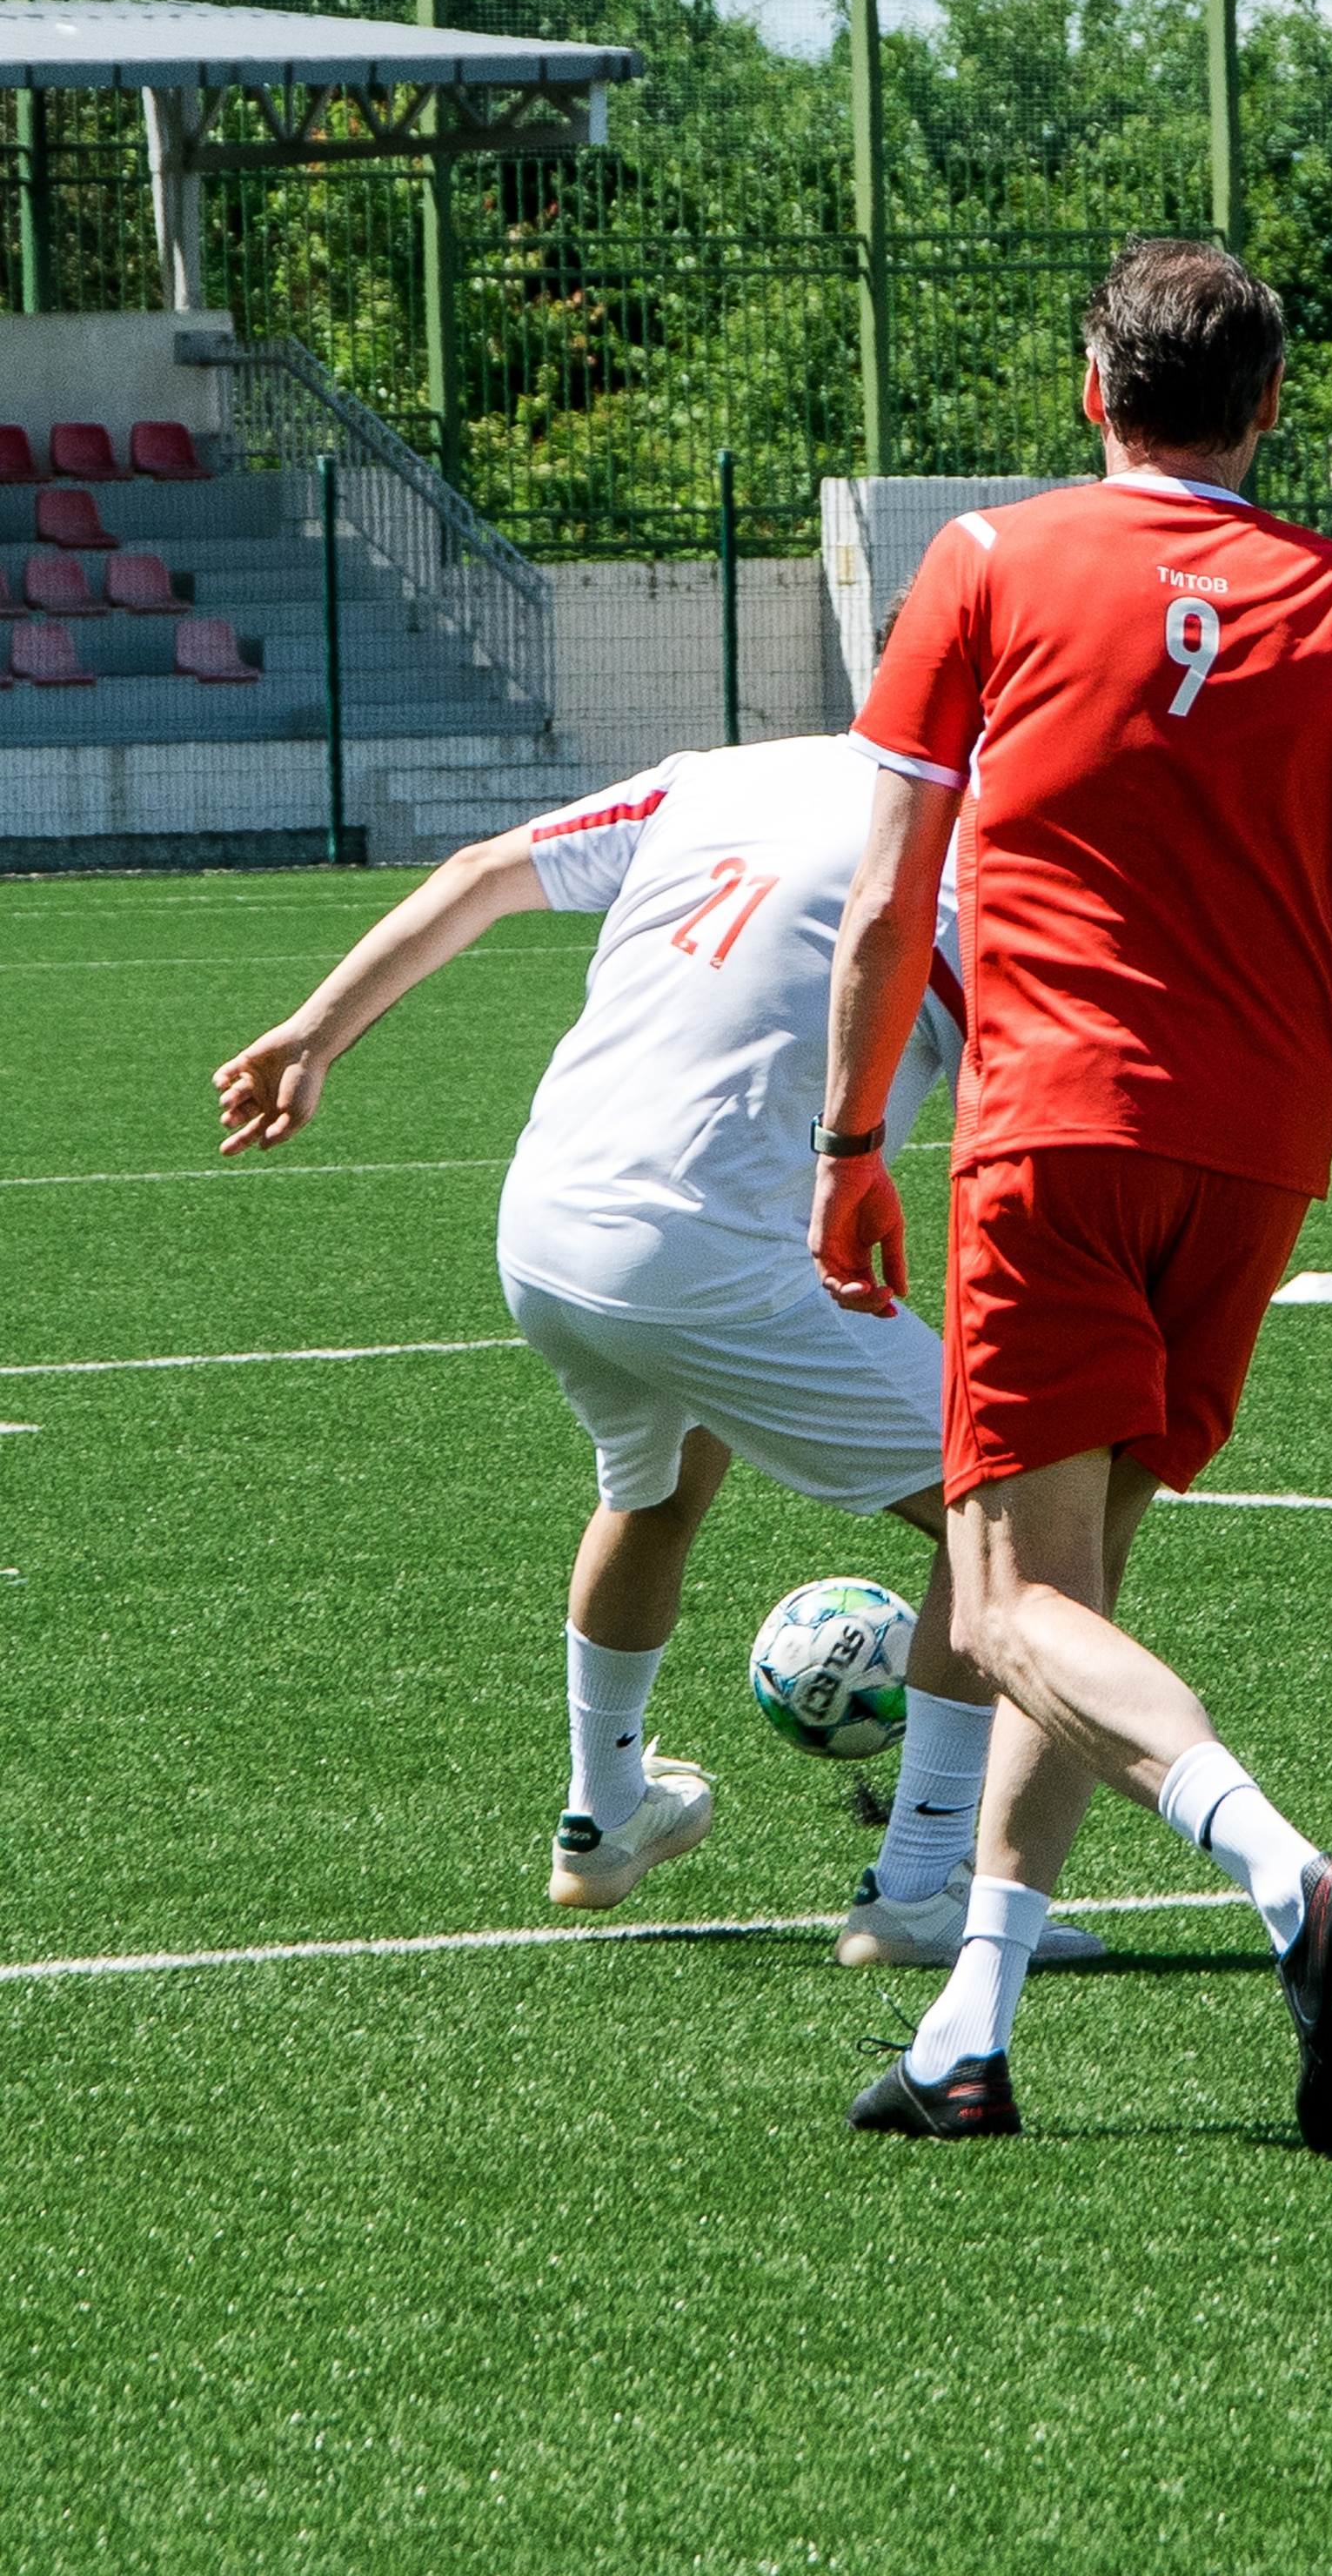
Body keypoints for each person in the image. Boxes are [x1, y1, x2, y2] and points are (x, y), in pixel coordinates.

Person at [810, 236, 1332, 2150]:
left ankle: (1289, 1879)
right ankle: (970, 2028)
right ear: (1269, 405)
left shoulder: (982, 559)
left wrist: (845, 1143)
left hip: (1053, 1127)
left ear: (1090, 390)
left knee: (1003, 1592)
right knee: (1082, 1589)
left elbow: (890, 893)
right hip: (1253, 1149)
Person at [211, 733, 1101, 1971]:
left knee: (657, 1488)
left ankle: (604, 1815)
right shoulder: (986, 847)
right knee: (1008, 1519)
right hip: (715, 1256)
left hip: (548, 1227)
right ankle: (922, 1886)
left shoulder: (722, 774)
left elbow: (479, 870)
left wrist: (314, 1032)